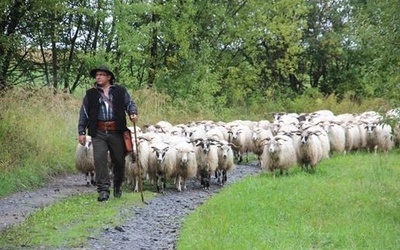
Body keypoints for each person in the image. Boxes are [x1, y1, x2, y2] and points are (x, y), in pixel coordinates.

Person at [77, 65, 138, 202]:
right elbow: (84, 113)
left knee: (118, 160)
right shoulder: (90, 94)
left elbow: (130, 104)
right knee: (99, 160)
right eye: (97, 75)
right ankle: (103, 190)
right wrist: (81, 131)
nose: (98, 77)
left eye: (101, 75)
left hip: (116, 131)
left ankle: (117, 185)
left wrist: (133, 113)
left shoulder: (120, 92)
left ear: (109, 77)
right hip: (98, 131)